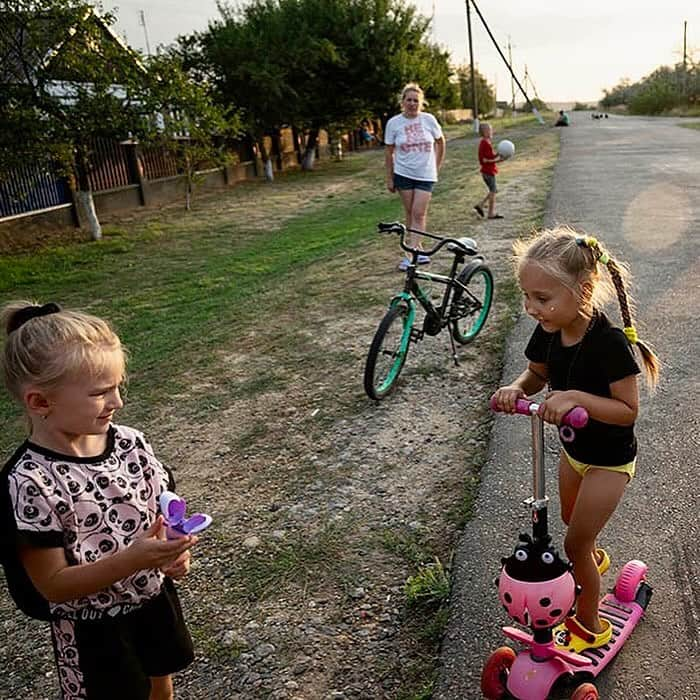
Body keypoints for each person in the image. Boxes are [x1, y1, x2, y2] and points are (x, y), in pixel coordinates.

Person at [0, 301, 199, 700]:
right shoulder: (29, 482)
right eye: (100, 393)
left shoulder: (130, 443)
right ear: (40, 402)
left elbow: (164, 505)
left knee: (161, 677)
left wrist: (175, 553)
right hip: (92, 626)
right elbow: (53, 586)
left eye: (118, 386)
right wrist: (136, 558)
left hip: (152, 595)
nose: (118, 402)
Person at [491, 228, 659, 654]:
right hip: (575, 452)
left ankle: (590, 623)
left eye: (542, 299)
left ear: (583, 291)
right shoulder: (550, 330)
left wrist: (577, 398)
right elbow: (537, 375)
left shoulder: (608, 343)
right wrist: (516, 388)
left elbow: (627, 410)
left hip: (609, 461)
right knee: (570, 520)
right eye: (527, 296)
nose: (532, 308)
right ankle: (590, 562)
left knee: (573, 542)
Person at [384, 83, 446, 271]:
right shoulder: (394, 123)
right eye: (408, 100)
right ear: (402, 102)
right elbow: (388, 152)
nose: (412, 103)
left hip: (426, 174)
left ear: (421, 103)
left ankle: (412, 255)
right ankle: (416, 248)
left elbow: (441, 142)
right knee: (411, 213)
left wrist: (435, 166)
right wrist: (389, 177)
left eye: (415, 100)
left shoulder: (428, 120)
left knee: (419, 212)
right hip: (403, 173)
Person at [473, 122, 504, 220]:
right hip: (488, 172)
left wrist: (498, 154)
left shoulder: (486, 142)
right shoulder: (485, 143)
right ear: (485, 132)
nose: (492, 131)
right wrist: (499, 160)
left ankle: (481, 205)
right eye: (490, 130)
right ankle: (490, 213)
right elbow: (485, 160)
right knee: (493, 191)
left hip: (488, 171)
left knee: (493, 190)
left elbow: (489, 156)